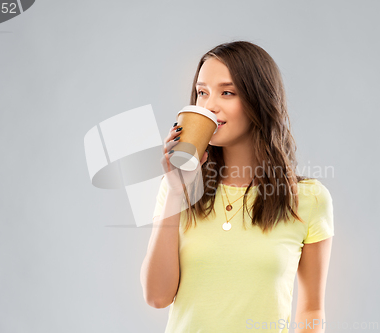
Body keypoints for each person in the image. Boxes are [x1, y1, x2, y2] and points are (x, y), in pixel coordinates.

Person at [140, 40, 334, 333]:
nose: (209, 105)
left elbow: (312, 308)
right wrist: (176, 192)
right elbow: (157, 297)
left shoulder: (308, 199)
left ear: (259, 100)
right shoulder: (176, 189)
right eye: (202, 92)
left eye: (227, 92)